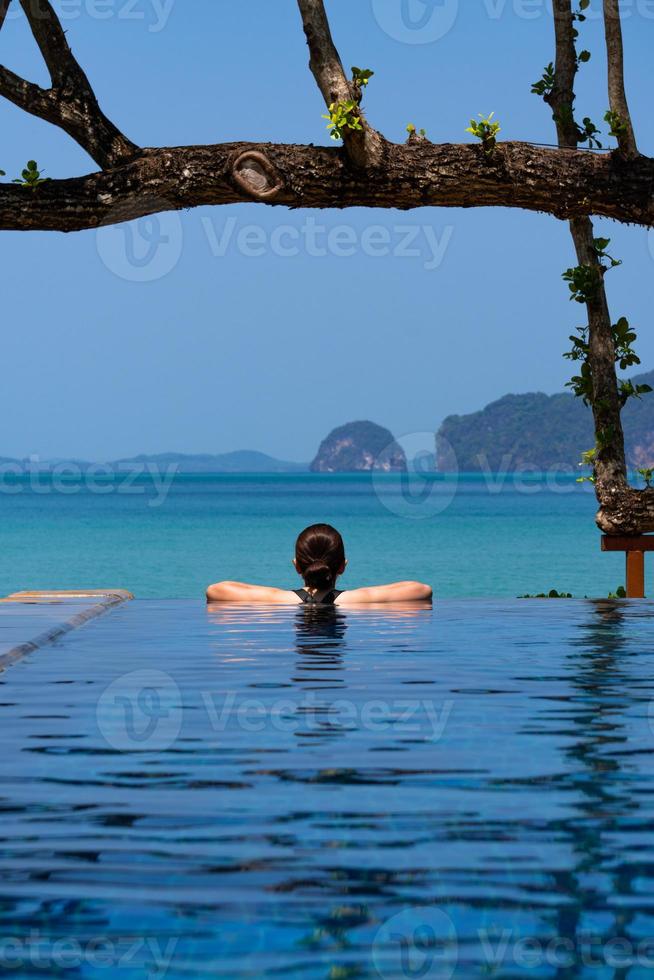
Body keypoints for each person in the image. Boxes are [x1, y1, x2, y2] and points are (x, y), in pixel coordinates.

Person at [206, 523, 432, 605]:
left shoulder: (279, 600)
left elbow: (215, 590)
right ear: (343, 566)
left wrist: (271, 593)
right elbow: (422, 589)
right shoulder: (356, 600)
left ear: (296, 566)